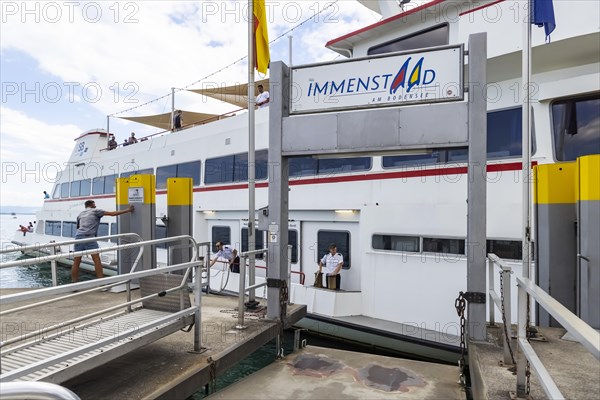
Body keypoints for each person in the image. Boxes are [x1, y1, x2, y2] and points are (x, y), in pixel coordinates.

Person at [71, 200, 134, 282]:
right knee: (97, 261)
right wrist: (128, 210)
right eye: (94, 204)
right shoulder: (96, 211)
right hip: (89, 238)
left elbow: (78, 227)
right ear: (91, 204)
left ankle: (73, 283)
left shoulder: (80, 214)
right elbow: (112, 214)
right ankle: (101, 283)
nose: (95, 205)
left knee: (76, 262)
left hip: (78, 238)